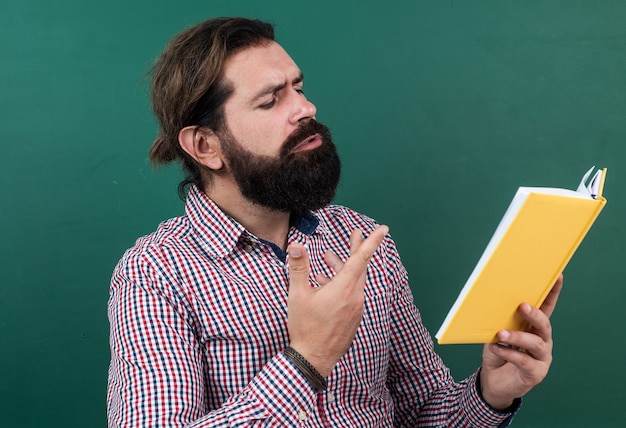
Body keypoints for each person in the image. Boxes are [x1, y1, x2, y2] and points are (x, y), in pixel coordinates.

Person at [107, 17, 563, 427]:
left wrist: (490, 394)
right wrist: (306, 360)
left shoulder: (363, 241)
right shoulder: (155, 273)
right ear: (206, 146)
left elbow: (424, 409)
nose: (305, 109)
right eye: (270, 100)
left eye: (298, 88)